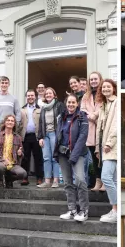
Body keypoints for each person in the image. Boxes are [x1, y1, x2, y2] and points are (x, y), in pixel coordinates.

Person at [56, 94, 89, 222]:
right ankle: (72, 210)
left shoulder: (82, 116)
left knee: (80, 180)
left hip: (78, 153)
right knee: (67, 183)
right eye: (68, 102)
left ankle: (84, 211)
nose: (70, 104)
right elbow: (59, 135)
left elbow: (82, 137)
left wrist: (74, 156)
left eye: (73, 102)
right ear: (66, 103)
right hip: (63, 153)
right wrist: (56, 153)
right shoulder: (62, 117)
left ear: (77, 103)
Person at [95, 79, 117, 223]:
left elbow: (116, 124)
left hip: (112, 147)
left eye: (108, 87)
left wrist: (109, 143)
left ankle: (115, 210)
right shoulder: (103, 105)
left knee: (106, 178)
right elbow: (99, 129)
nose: (106, 89)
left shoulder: (116, 102)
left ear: (114, 88)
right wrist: (98, 147)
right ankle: (115, 210)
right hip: (104, 147)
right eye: (103, 87)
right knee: (114, 179)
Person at [37, 87, 65, 188]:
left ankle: (56, 180)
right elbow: (40, 123)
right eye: (46, 94)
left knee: (55, 157)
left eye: (50, 93)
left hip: (55, 134)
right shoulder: (43, 107)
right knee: (46, 158)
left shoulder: (59, 105)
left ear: (54, 95)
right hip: (45, 135)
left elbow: (63, 120)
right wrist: (40, 137)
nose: (48, 95)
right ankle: (47, 180)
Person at [81, 72, 104, 191]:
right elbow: (82, 111)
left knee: (103, 157)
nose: (93, 81)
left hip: (101, 129)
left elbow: (104, 109)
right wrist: (92, 116)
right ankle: (98, 181)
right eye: (91, 79)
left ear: (100, 79)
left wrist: (94, 115)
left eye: (95, 79)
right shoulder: (86, 96)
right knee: (95, 159)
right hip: (90, 130)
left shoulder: (104, 93)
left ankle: (105, 182)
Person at [0, 115, 26, 188]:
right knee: (0, 167)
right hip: (1, 162)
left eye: (12, 121)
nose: (10, 122)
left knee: (23, 174)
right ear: (4, 122)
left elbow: (21, 154)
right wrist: (3, 160)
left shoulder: (18, 137)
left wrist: (20, 153)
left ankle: (9, 179)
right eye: (8, 120)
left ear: (14, 124)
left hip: (13, 163)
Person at [20, 89, 43, 186]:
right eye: (28, 95)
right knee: (25, 158)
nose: (30, 97)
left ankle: (39, 178)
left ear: (35, 96)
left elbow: (42, 123)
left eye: (32, 95)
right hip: (25, 136)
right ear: (26, 97)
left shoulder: (40, 109)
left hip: (37, 136)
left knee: (38, 158)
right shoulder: (22, 109)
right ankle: (25, 178)